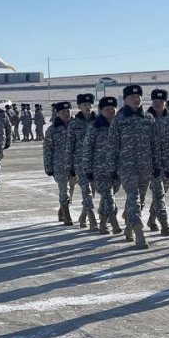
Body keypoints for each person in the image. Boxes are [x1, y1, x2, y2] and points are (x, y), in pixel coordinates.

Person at [108, 84, 159, 249]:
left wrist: (157, 165)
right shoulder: (119, 120)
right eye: (132, 97)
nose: (136, 99)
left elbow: (155, 145)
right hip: (126, 165)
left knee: (141, 199)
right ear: (125, 100)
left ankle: (129, 226)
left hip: (146, 166)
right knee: (133, 197)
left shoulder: (149, 118)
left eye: (138, 97)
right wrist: (112, 169)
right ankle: (139, 232)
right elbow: (113, 145)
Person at [83, 96, 123, 235]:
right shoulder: (95, 127)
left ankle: (103, 220)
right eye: (107, 109)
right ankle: (114, 222)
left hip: (117, 169)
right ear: (101, 110)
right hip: (100, 168)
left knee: (109, 195)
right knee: (108, 194)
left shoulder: (120, 125)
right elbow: (87, 149)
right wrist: (88, 169)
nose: (110, 111)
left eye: (112, 108)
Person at [67, 93, 98, 230]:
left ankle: (83, 215)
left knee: (93, 190)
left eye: (89, 104)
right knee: (86, 190)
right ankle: (92, 219)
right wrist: (70, 167)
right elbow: (69, 145)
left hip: (96, 161)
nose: (87, 106)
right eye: (84, 104)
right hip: (80, 161)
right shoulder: (74, 123)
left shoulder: (98, 121)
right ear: (79, 106)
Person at [146, 89, 169, 236]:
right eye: (155, 101)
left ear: (165, 103)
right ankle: (164, 223)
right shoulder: (145, 119)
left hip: (168, 163)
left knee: (162, 193)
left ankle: (151, 218)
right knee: (158, 193)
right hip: (151, 164)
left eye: (160, 102)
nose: (157, 104)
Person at [44, 102, 74, 224]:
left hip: (75, 164)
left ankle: (62, 209)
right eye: (63, 112)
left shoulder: (77, 126)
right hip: (59, 165)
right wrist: (48, 167)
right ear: (57, 114)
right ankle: (66, 214)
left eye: (68, 111)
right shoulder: (52, 130)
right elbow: (47, 149)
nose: (66, 114)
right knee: (64, 189)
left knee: (71, 189)